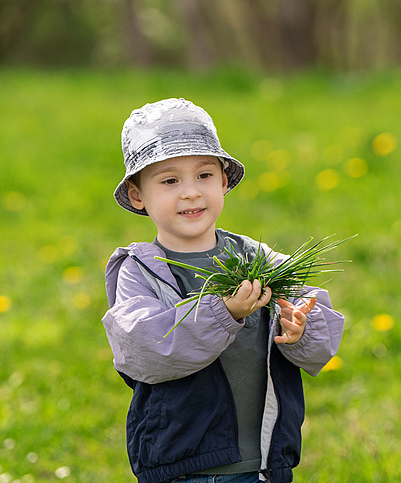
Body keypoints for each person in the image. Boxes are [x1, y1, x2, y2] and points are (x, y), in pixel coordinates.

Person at [102, 98, 344, 483]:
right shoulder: (140, 271)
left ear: (224, 181)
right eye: (169, 181)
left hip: (265, 462)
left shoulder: (258, 258)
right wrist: (224, 313)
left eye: (204, 175)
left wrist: (300, 328)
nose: (191, 193)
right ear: (137, 195)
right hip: (184, 466)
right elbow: (144, 351)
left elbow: (321, 341)